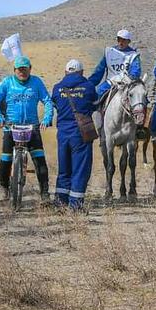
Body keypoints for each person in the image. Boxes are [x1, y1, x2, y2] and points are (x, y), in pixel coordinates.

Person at [0, 55, 54, 203]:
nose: (22, 72)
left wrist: (46, 118)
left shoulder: (37, 82)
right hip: (10, 127)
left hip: (32, 127)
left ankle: (44, 193)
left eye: (25, 69)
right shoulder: (7, 82)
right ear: (14, 70)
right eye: (19, 69)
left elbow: (47, 101)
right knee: (6, 158)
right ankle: (4, 187)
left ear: (30, 69)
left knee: (39, 159)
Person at [51, 59, 97, 210]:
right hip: (80, 134)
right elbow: (94, 103)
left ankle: (60, 202)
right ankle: (75, 205)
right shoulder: (88, 87)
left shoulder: (57, 88)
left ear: (65, 72)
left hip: (63, 134)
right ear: (81, 72)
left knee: (64, 168)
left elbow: (56, 105)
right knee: (80, 168)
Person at [89, 29, 142, 103]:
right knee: (97, 94)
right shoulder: (109, 52)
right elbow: (99, 71)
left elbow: (135, 72)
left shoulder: (133, 55)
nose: (120, 42)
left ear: (128, 41)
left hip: (127, 84)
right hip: (110, 83)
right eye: (119, 39)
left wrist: (128, 79)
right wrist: (89, 84)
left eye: (123, 40)